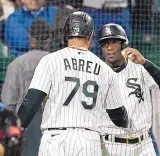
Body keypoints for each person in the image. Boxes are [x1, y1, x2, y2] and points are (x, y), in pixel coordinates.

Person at [17, 11, 129, 156]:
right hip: (89, 142)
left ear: (66, 35)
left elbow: (31, 103)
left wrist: (17, 128)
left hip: (55, 139)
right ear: (90, 36)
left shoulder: (51, 61)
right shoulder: (105, 70)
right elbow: (121, 119)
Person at [98, 23, 160, 156]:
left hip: (144, 144)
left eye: (114, 42)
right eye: (105, 44)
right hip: (114, 146)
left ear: (123, 45)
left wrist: (145, 62)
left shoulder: (139, 68)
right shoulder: (97, 75)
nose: (109, 48)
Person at [1, 19, 51, 156]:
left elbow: (7, 104)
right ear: (49, 38)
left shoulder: (16, 64)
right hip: (52, 132)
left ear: (30, 37)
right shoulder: (58, 64)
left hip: (23, 130)